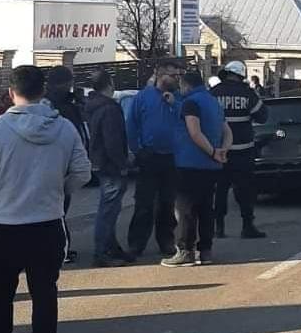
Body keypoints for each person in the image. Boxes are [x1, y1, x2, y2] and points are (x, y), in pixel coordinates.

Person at [0, 65, 91, 333]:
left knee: (0, 296)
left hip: (3, 224)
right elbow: (83, 171)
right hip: (47, 223)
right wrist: (57, 189)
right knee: (44, 295)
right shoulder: (64, 128)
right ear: (43, 91)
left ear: (11, 92)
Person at [162, 72, 231, 267]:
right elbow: (227, 131)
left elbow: (194, 131)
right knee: (206, 208)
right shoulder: (212, 102)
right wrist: (223, 150)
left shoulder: (190, 103)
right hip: (212, 167)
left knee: (186, 209)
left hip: (191, 163)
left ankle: (185, 251)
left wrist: (212, 152)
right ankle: (206, 250)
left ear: (185, 85)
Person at [126, 60, 184, 258]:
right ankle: (136, 243)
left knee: (167, 204)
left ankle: (166, 241)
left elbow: (187, 121)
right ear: (159, 74)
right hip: (149, 156)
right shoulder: (143, 98)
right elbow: (131, 125)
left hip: (172, 157)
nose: (176, 79)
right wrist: (137, 150)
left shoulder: (179, 99)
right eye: (172, 75)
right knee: (144, 203)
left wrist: (174, 104)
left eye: (178, 75)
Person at [209, 61, 269, 240]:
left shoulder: (214, 93)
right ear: (241, 75)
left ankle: (218, 227)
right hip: (243, 151)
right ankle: (247, 226)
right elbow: (263, 116)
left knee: (220, 190)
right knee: (245, 191)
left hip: (219, 151)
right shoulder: (247, 93)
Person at [84, 71, 132, 268]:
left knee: (110, 208)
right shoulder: (110, 108)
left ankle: (111, 247)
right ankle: (102, 251)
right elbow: (112, 140)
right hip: (111, 165)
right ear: (109, 84)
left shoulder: (92, 106)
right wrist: (123, 164)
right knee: (108, 210)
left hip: (100, 162)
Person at [46, 66, 88, 264]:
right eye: (69, 82)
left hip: (60, 165)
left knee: (59, 210)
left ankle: (60, 248)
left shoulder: (63, 102)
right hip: (62, 166)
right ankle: (59, 250)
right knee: (58, 211)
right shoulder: (59, 107)